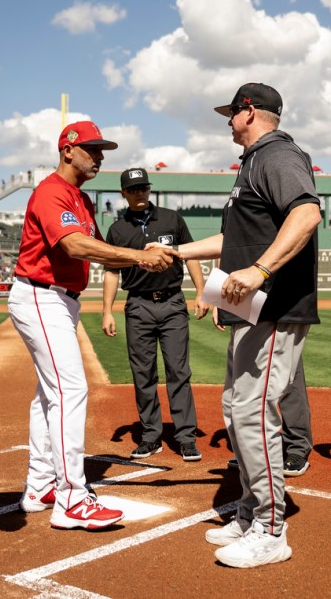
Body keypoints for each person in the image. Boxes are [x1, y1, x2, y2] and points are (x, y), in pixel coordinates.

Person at [165, 83, 320, 568]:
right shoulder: (253, 162)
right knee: (236, 408)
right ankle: (253, 510)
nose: (227, 122)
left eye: (231, 114)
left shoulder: (277, 154)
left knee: (253, 412)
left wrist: (261, 271)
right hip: (251, 310)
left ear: (249, 112)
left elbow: (308, 213)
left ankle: (272, 529)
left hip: (274, 307)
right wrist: (176, 252)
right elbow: (235, 237)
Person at [8, 121, 174, 530]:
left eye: (101, 150)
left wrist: (145, 252)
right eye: (92, 149)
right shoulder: (50, 191)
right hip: (41, 294)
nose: (99, 157)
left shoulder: (78, 198)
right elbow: (73, 245)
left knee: (49, 395)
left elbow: (102, 254)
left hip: (59, 299)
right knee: (70, 390)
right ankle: (71, 499)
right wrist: (139, 258)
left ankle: (40, 485)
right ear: (67, 150)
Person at [102, 167, 209, 462]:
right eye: (133, 189)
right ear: (123, 193)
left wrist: (201, 293)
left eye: (143, 188)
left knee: (178, 371)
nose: (139, 193)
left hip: (173, 303)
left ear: (150, 190)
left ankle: (186, 437)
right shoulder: (117, 229)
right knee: (143, 374)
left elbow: (189, 257)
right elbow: (112, 270)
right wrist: (106, 310)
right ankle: (151, 437)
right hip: (138, 306)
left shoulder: (172, 218)